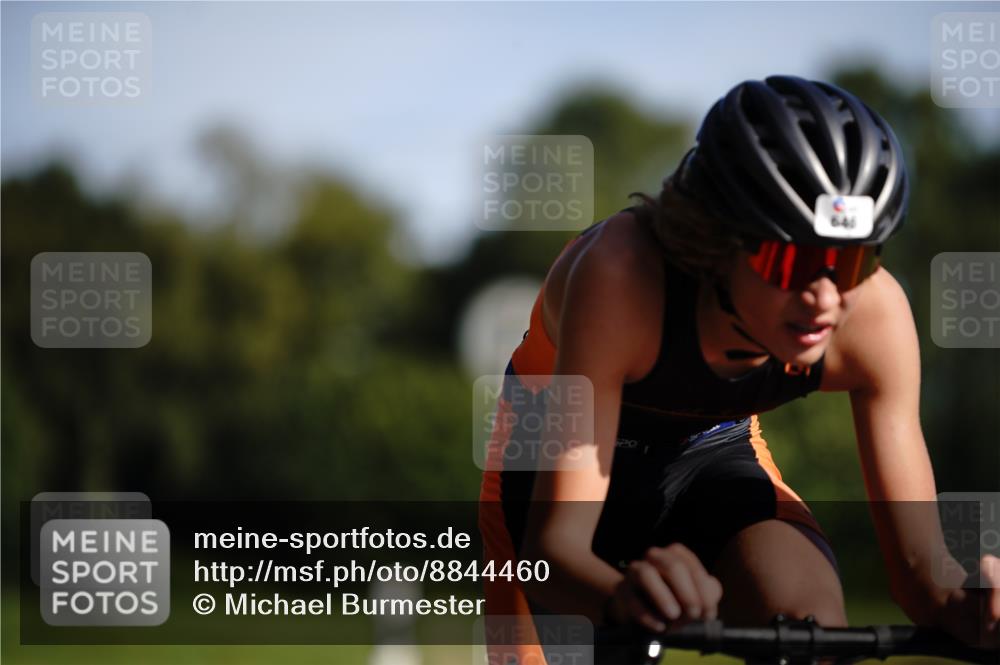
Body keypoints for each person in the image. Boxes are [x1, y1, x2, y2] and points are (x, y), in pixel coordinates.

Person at [477, 75, 999, 663]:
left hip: (712, 453)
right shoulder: (620, 279)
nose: (824, 297)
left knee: (810, 636)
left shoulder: (874, 316)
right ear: (713, 242)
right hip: (547, 454)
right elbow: (554, 552)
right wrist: (625, 599)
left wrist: (969, 607)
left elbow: (921, 575)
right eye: (790, 259)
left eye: (852, 260)